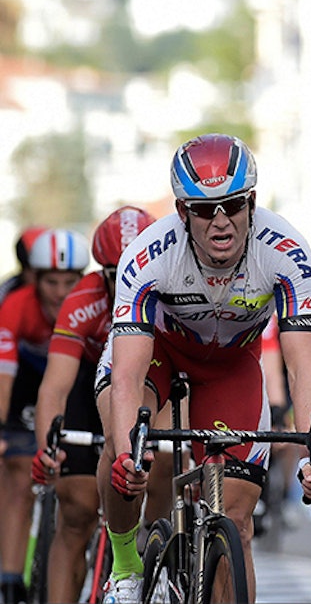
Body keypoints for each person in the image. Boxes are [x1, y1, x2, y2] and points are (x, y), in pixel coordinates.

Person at [99, 133, 311, 604]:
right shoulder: (150, 255)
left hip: (232, 367)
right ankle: (126, 566)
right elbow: (126, 374)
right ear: (183, 212)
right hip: (159, 355)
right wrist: (129, 451)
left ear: (252, 201)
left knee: (237, 521)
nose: (221, 221)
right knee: (124, 443)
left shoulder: (286, 251)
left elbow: (303, 364)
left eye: (233, 204)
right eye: (204, 210)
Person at [31, 207, 161, 604]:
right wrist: (45, 450)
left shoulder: (167, 292)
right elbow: (55, 385)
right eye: (114, 275)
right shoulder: (84, 298)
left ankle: (158, 550)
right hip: (90, 387)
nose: (125, 283)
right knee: (78, 510)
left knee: (163, 462)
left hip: (146, 383)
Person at [0, 226, 89, 604]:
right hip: (23, 380)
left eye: (70, 281)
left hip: (75, 379)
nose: (60, 292)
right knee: (20, 472)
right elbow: (4, 377)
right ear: (34, 279)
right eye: (51, 281)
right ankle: (10, 577)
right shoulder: (16, 306)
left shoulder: (90, 305)